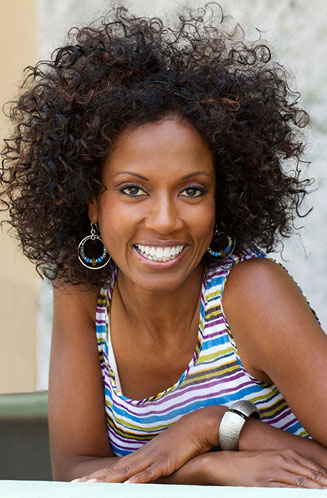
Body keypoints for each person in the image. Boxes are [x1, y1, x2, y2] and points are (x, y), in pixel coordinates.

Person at [1, 4, 327, 488]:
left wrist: (213, 426)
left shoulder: (252, 294)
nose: (166, 220)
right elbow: (74, 473)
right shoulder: (82, 289)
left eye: (192, 190)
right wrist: (204, 460)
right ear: (92, 202)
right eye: (133, 189)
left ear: (223, 197)